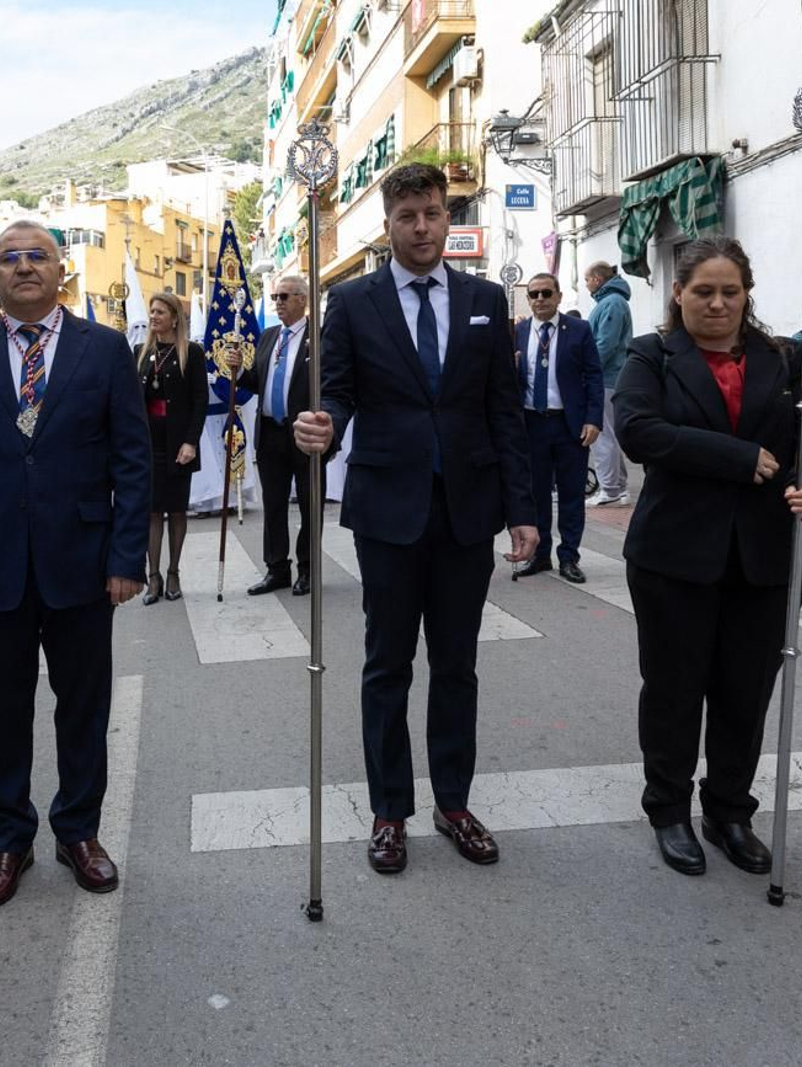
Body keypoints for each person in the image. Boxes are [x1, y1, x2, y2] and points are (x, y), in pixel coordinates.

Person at [293, 163, 538, 875]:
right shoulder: (353, 301)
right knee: (387, 664)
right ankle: (389, 811)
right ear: (388, 224)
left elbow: (504, 411)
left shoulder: (486, 299)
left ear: (446, 219)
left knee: (457, 664)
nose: (424, 227)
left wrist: (522, 510)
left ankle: (454, 802)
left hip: (468, 508)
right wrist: (324, 425)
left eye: (433, 213)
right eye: (409, 216)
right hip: (389, 510)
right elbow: (337, 391)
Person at [0, 221, 150, 908]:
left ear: (61, 271)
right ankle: (8, 837)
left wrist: (126, 556)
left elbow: (131, 459)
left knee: (83, 705)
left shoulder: (105, 349)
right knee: (3, 708)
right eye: (8, 258)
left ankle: (78, 829)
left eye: (37, 257)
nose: (23, 267)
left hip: (82, 561)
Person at [613, 235, 802, 877]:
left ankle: (729, 811)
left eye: (730, 292)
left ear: (747, 295)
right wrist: (739, 459)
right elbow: (638, 432)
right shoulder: (651, 355)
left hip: (768, 554)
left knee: (747, 691)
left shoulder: (787, 359)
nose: (718, 304)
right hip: (675, 554)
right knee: (675, 689)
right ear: (679, 293)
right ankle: (669, 809)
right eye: (704, 291)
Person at [228, 274, 324, 597]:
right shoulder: (269, 337)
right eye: (275, 297)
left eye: (284, 296)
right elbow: (258, 380)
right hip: (270, 432)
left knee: (311, 503)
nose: (278, 303)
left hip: (304, 432)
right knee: (274, 505)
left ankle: (307, 568)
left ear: (302, 300)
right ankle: (276, 568)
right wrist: (240, 371)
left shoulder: (318, 337)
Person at [513, 273, 603, 583]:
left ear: (559, 296)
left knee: (571, 493)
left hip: (569, 425)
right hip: (531, 423)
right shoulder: (519, 332)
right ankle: (541, 556)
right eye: (534, 294)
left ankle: (569, 557)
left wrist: (593, 419)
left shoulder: (579, 330)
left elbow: (594, 376)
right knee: (536, 494)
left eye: (546, 293)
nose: (540, 299)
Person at [136, 291, 206, 604]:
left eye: (160, 312)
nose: (153, 317)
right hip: (148, 444)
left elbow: (199, 402)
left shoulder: (191, 352)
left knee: (176, 510)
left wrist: (191, 441)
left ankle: (174, 572)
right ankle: (153, 577)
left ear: (174, 318)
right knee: (152, 511)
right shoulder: (139, 351)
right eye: (152, 311)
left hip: (179, 444)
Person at [585, 261, 633, 505]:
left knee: (601, 434)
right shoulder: (613, 302)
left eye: (587, 280)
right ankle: (618, 487)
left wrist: (588, 370)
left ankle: (610, 490)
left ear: (597, 280)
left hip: (605, 378)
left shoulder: (612, 303)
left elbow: (606, 343)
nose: (586, 286)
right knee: (609, 434)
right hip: (610, 377)